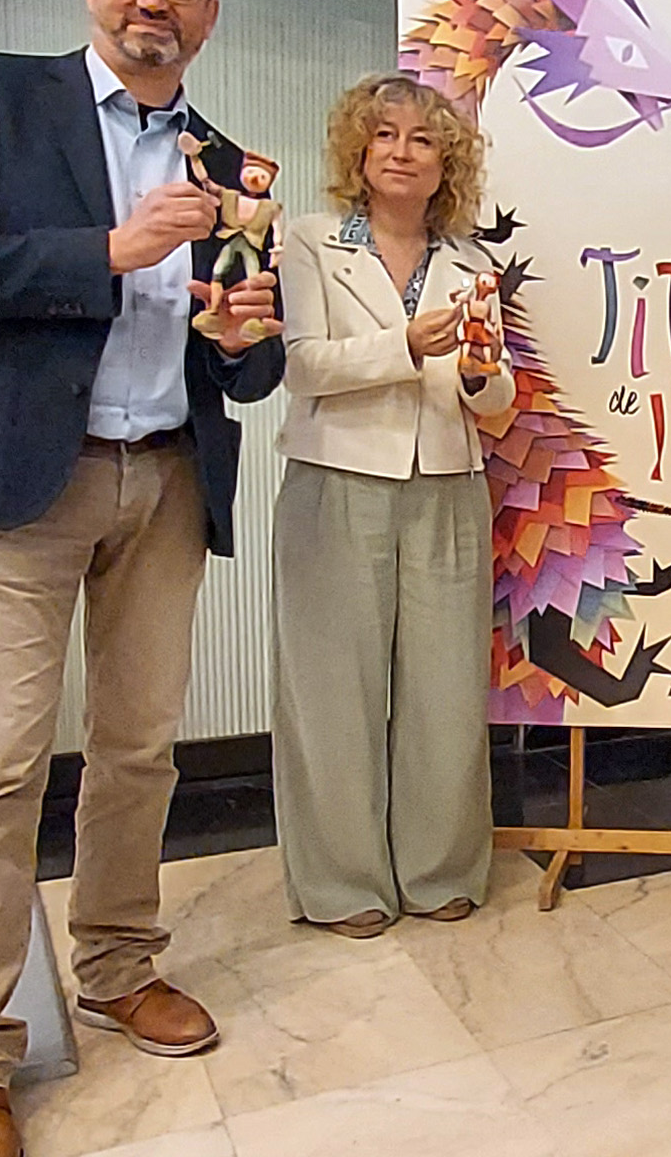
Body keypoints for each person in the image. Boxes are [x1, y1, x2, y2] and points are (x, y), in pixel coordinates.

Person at [0, 0, 284, 1157]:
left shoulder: (230, 162)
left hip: (164, 477)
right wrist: (108, 248)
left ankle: (116, 963)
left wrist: (245, 335)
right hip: (19, 477)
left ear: (207, 16)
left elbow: (252, 368)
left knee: (138, 748)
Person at [270, 74, 513, 939]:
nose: (402, 152)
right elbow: (302, 366)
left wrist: (480, 375)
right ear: (359, 151)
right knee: (331, 690)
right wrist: (405, 344)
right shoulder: (309, 241)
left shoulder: (472, 263)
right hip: (336, 480)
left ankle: (440, 869)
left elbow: (496, 403)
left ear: (447, 160)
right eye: (385, 135)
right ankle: (342, 884)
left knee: (446, 688)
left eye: (422, 138)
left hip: (448, 482)